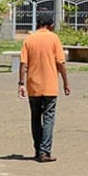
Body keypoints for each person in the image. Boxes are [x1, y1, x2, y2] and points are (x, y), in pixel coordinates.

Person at [18, 14, 70, 163]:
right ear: (51, 25)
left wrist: (21, 84)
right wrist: (66, 82)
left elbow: (23, 64)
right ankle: (45, 151)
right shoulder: (54, 38)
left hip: (33, 86)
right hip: (50, 86)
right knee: (48, 118)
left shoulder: (29, 39)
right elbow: (61, 63)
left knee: (35, 118)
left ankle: (37, 150)